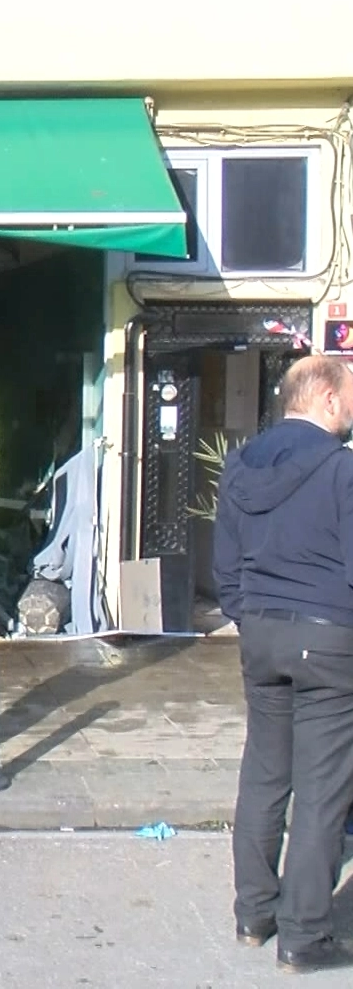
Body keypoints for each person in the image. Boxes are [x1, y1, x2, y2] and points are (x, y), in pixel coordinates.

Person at [214, 354, 353, 974]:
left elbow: (226, 567)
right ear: (326, 400)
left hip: (262, 632)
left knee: (265, 774)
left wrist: (251, 616)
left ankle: (254, 913)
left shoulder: (240, 465)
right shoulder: (342, 469)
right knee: (322, 789)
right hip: (328, 638)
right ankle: (303, 936)